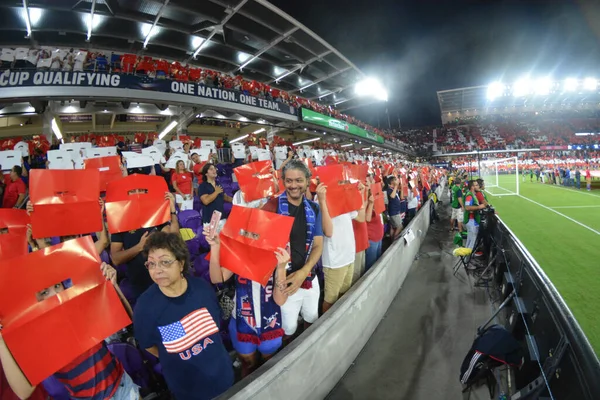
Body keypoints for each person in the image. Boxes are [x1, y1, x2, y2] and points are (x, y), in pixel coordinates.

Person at [0, 263, 138, 400]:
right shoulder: (39, 338)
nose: (56, 294)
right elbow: (24, 391)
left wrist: (112, 285)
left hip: (122, 385)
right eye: (44, 292)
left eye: (57, 286)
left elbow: (128, 319)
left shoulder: (80, 307)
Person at [133, 232, 234, 400]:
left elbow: (214, 326)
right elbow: (149, 345)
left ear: (181, 264)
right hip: (187, 390)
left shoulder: (202, 290)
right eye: (151, 264)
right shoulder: (144, 308)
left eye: (165, 262)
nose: (157, 270)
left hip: (222, 377)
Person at [205, 227, 290, 377]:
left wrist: (281, 268)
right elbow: (216, 279)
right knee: (247, 363)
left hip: (270, 323)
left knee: (268, 365)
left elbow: (280, 300)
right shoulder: (240, 255)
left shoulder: (277, 257)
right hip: (241, 323)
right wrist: (215, 247)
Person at [261, 160, 327, 340]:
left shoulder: (314, 208)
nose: (293, 185)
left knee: (311, 320)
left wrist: (303, 272)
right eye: (289, 181)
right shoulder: (271, 207)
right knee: (287, 330)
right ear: (282, 181)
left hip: (309, 279)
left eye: (298, 180)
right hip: (284, 281)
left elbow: (318, 245)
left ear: (307, 181)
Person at [111, 192, 180, 298]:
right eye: (133, 192)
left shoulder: (155, 214)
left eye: (141, 191)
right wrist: (139, 247)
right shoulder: (120, 221)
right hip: (139, 282)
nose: (137, 194)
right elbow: (115, 258)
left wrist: (172, 211)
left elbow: (175, 240)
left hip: (162, 276)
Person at [321, 183, 366, 313]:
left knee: (343, 295)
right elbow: (327, 232)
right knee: (330, 300)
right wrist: (322, 200)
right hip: (335, 261)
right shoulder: (321, 201)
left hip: (348, 256)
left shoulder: (343, 200)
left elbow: (361, 217)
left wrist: (360, 195)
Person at [364, 182, 384, 272]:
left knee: (378, 262)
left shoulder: (375, 198)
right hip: (371, 238)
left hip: (379, 236)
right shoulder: (364, 201)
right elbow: (366, 219)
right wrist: (371, 203)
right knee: (371, 267)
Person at [463, 180, 486, 250]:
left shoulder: (473, 194)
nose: (477, 186)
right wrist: (479, 207)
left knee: (470, 241)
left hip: (473, 221)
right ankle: (467, 258)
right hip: (471, 221)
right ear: (472, 187)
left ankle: (466, 257)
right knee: (472, 242)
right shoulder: (469, 195)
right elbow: (467, 207)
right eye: (475, 185)